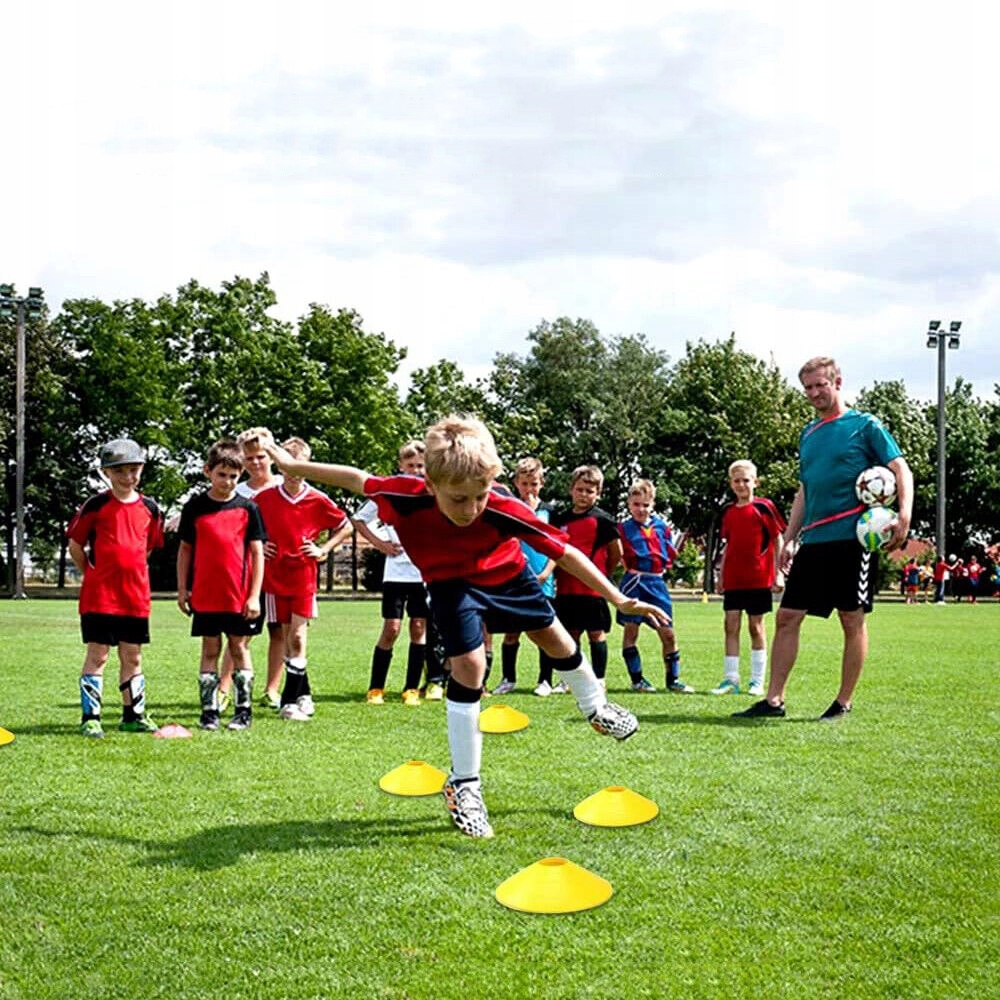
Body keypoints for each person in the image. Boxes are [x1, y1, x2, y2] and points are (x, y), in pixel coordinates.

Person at [263, 416, 668, 839]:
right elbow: (356, 479)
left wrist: (618, 597)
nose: (471, 509)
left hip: (508, 575)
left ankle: (597, 708)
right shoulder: (403, 494)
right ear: (431, 485)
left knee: (555, 639)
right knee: (471, 668)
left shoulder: (499, 505)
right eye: (459, 499)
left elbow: (564, 552)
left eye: (479, 497)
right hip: (450, 583)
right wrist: (293, 467)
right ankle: (465, 784)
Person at [734, 356, 912, 722]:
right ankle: (773, 700)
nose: (814, 393)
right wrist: (789, 537)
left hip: (854, 539)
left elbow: (900, 468)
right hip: (814, 542)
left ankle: (843, 702)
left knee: (851, 618)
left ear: (838, 382)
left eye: (821, 385)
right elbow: (805, 489)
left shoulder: (865, 425)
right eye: (808, 388)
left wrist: (904, 513)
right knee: (786, 616)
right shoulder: (809, 434)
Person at [66, 439, 165, 738]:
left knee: (132, 657)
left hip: (135, 598)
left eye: (133, 469)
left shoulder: (151, 508)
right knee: (98, 655)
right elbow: (75, 545)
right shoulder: (95, 505)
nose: (127, 476)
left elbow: (146, 548)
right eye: (119, 470)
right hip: (99, 599)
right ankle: (90, 717)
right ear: (107, 473)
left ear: (141, 470)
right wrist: (92, 575)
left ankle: (133, 715)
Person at [252, 436, 353, 721]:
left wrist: (322, 549)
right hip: (275, 577)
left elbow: (345, 526)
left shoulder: (317, 499)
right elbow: (248, 528)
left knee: (297, 637)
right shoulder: (265, 498)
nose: (293, 471)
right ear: (279, 465)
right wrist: (263, 543)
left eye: (299, 465)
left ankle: (289, 702)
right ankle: (303, 694)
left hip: (304, 577)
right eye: (287, 465)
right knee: (286, 638)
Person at [176, 439, 266, 732]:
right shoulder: (195, 508)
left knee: (239, 648)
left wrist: (254, 596)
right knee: (210, 650)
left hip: (238, 597)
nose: (227, 481)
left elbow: (256, 553)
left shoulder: (248, 509)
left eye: (233, 476)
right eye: (221, 474)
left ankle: (243, 710)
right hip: (205, 595)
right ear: (208, 471)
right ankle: (209, 711)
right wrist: (182, 589)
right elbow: (185, 550)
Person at [352, 440, 441, 706]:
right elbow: (357, 519)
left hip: (421, 575)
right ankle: (376, 688)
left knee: (418, 627)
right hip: (395, 575)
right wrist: (379, 544)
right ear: (400, 465)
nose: (415, 470)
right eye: (410, 465)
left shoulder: (432, 494)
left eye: (420, 466)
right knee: (391, 628)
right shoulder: (388, 492)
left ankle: (411, 688)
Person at [216, 428, 286, 712]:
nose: (256, 463)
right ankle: (223, 687)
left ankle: (272, 689)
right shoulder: (237, 490)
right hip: (245, 573)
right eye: (249, 458)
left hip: (282, 572)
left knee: (278, 631)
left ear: (271, 456)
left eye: (261, 456)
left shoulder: (285, 484)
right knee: (238, 634)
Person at [710, 460, 786, 697]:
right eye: (736, 480)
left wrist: (780, 572)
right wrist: (720, 576)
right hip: (734, 579)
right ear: (731, 484)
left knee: (756, 627)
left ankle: (757, 680)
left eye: (746, 480)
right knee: (730, 625)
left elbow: (777, 540)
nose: (741, 484)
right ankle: (730, 679)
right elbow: (727, 546)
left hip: (759, 579)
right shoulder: (727, 512)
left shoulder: (765, 508)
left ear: (755, 482)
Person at [617, 479, 693, 693]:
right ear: (629, 504)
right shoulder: (623, 528)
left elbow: (667, 552)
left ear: (652, 504)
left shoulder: (662, 527)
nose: (641, 509)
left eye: (645, 505)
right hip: (634, 582)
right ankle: (637, 680)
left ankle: (673, 680)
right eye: (636, 504)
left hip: (656, 583)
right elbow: (617, 554)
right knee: (631, 631)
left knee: (667, 633)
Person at [550, 465, 621, 694]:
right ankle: (571, 679)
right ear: (571, 490)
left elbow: (616, 553)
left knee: (596, 634)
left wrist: (601, 576)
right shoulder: (560, 519)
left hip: (591, 591)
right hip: (566, 588)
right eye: (580, 489)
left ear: (598, 493)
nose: (584, 495)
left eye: (590, 491)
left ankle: (599, 679)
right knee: (569, 635)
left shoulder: (603, 520)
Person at [494, 457, 557, 696]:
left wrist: (546, 573)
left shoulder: (550, 511)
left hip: (543, 580)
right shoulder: (508, 508)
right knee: (511, 632)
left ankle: (545, 681)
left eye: (534, 484)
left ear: (541, 484)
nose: (529, 489)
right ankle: (508, 679)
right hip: (513, 579)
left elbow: (557, 547)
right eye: (524, 484)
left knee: (545, 631)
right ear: (516, 483)